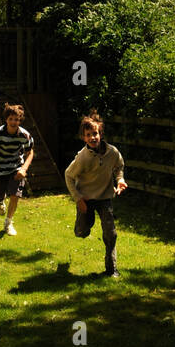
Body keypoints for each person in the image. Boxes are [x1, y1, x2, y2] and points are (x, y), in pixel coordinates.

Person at [65, 110, 127, 278]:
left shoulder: (112, 152)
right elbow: (68, 175)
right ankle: (82, 225)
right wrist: (78, 199)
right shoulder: (83, 158)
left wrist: (120, 180)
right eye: (88, 135)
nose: (93, 137)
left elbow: (119, 166)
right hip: (86, 199)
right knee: (82, 231)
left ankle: (111, 269)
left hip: (105, 197)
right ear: (84, 138)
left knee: (110, 233)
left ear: (101, 134)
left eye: (95, 134)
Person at [0, 102, 34, 236]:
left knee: (15, 195)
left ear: (20, 120)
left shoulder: (25, 135)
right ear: (6, 119)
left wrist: (24, 169)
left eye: (17, 119)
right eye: (11, 119)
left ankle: (8, 222)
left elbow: (30, 152)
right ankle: (0, 201)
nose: (13, 122)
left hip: (15, 168)